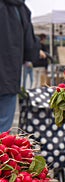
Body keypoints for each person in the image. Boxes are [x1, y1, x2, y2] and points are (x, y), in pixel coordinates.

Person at [0, 0, 42, 133]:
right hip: (8, 76)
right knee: (3, 128)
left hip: (8, 77)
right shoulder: (20, 8)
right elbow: (29, 47)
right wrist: (37, 52)